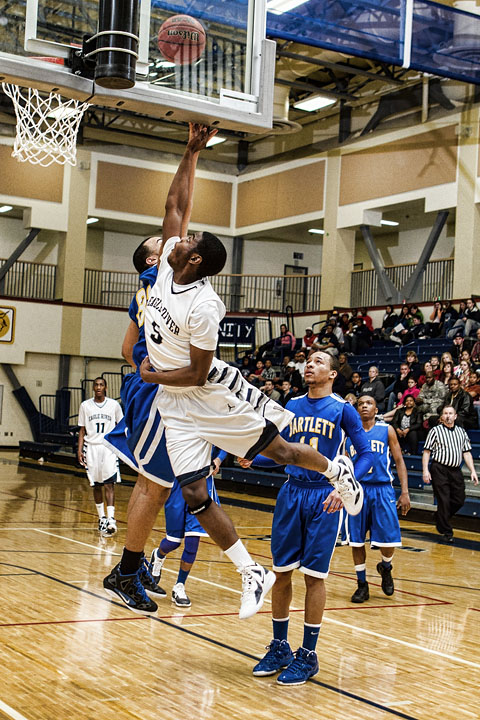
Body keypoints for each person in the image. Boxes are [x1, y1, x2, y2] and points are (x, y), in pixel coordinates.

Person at [139, 125, 364, 620]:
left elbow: (197, 374)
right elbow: (175, 205)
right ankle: (250, 571)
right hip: (174, 405)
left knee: (281, 451)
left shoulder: (205, 305)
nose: (176, 236)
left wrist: (152, 376)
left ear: (193, 260)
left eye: (187, 240)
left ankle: (336, 471)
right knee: (196, 495)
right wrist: (190, 150)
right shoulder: (163, 270)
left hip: (206, 394)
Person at [242, 351, 373, 685]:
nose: (310, 365)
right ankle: (280, 647)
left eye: (318, 361)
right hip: (292, 492)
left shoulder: (342, 409)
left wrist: (343, 487)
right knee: (281, 572)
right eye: (308, 361)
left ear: (331, 374)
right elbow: (283, 454)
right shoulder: (292, 405)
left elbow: (366, 454)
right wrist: (254, 460)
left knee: (314, 576)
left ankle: (308, 655)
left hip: (324, 497)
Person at [346, 395, 410, 603]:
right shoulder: (349, 435)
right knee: (356, 540)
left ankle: (386, 566)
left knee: (388, 539)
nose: (364, 406)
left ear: (376, 409)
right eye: (361, 404)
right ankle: (362, 585)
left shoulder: (386, 430)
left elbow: (399, 460)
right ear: (357, 410)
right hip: (358, 490)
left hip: (382, 489)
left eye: (369, 403)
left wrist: (405, 492)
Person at [149, 450, 226, 607]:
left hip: (203, 483)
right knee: (173, 541)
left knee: (193, 540)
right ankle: (158, 555)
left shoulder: (214, 425)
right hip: (178, 482)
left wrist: (218, 460)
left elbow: (228, 441)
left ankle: (179, 586)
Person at [422, 406, 478, 541]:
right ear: (442, 417)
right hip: (439, 468)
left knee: (459, 499)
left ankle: (440, 517)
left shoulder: (461, 432)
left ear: (455, 416)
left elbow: (467, 452)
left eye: (450, 413)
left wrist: (473, 471)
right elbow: (427, 452)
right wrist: (425, 470)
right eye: (445, 413)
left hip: (455, 470)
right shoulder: (435, 431)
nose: (448, 416)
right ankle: (447, 532)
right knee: (444, 500)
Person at [78, 378, 123, 536]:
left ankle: (111, 519)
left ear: (106, 387)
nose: (98, 387)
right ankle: (102, 518)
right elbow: (82, 430)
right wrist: (79, 450)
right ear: (93, 388)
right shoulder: (85, 405)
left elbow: (121, 426)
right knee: (96, 485)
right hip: (91, 448)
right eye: (96, 385)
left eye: (101, 385)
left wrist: (119, 446)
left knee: (109, 484)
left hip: (108, 447)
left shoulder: (114, 405)